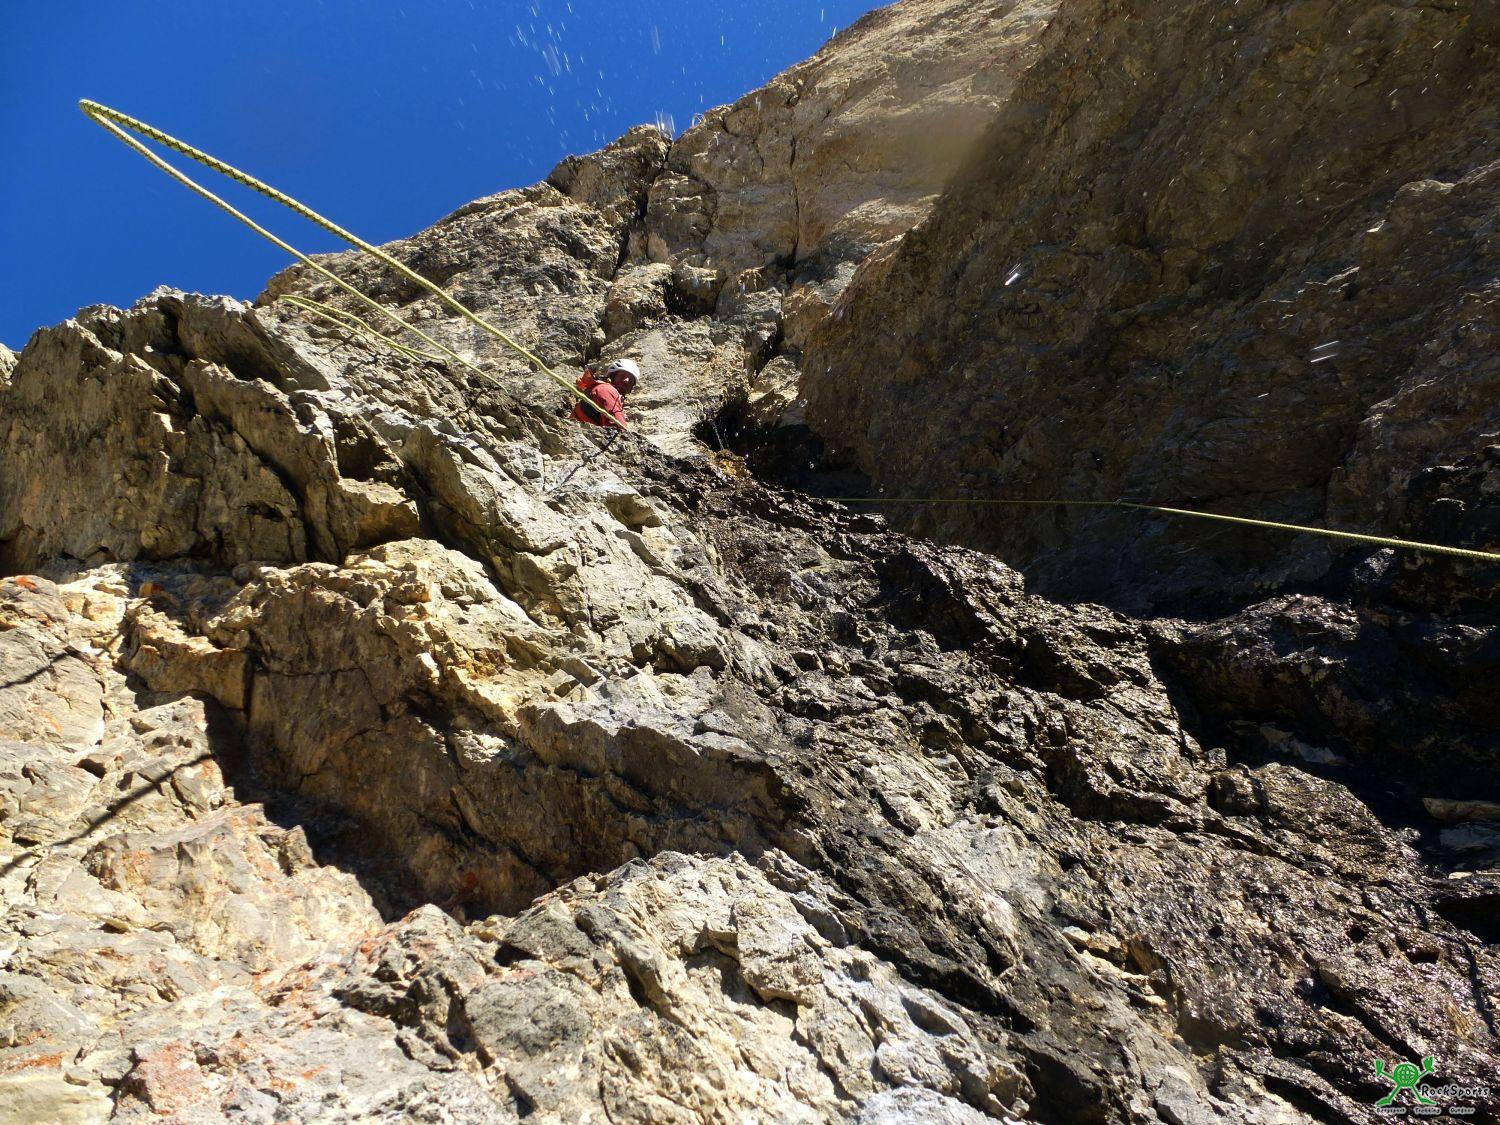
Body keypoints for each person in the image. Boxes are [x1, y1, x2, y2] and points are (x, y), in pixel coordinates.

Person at [571, 358, 639, 428]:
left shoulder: (599, 389)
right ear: (612, 376)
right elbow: (618, 426)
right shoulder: (606, 390)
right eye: (622, 376)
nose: (626, 381)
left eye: (631, 380)